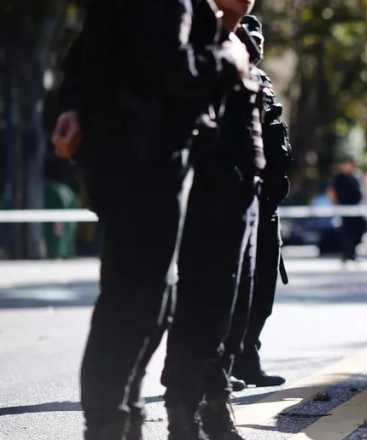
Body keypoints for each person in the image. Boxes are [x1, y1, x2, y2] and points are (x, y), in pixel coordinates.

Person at [51, 1, 251, 439]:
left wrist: (71, 107)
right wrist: (228, 58)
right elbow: (171, 70)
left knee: (144, 299)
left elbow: (89, 53)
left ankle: (121, 420)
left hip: (135, 155)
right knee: (136, 300)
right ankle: (110, 425)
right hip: (148, 159)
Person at [159, 0, 264, 438]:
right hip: (204, 191)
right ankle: (182, 409)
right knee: (197, 306)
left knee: (229, 308)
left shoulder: (244, 44)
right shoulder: (195, 38)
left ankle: (216, 403)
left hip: (244, 194)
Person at [228, 14, 292, 389]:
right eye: (249, 35)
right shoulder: (226, 75)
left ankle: (248, 357)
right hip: (235, 196)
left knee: (263, 284)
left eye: (260, 36)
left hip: (266, 202)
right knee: (230, 285)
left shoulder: (262, 82)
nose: (257, 42)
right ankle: (219, 365)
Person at [330, 156, 365, 261]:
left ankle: (352, 253)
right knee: (346, 232)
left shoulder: (354, 177)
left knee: (357, 230)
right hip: (344, 209)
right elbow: (332, 192)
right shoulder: (339, 178)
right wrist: (336, 206)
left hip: (355, 209)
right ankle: (346, 255)